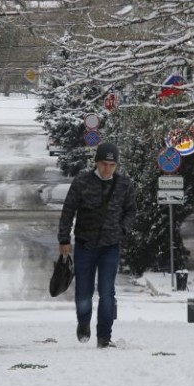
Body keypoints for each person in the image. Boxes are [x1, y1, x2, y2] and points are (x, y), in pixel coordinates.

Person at [58, 142, 137, 348]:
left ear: (117, 165)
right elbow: (68, 210)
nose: (107, 168)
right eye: (104, 163)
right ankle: (84, 322)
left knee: (107, 291)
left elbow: (131, 210)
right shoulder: (82, 181)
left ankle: (104, 336)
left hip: (110, 246)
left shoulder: (124, 184)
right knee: (84, 291)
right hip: (85, 244)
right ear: (96, 163)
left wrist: (122, 230)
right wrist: (64, 239)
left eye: (112, 164)